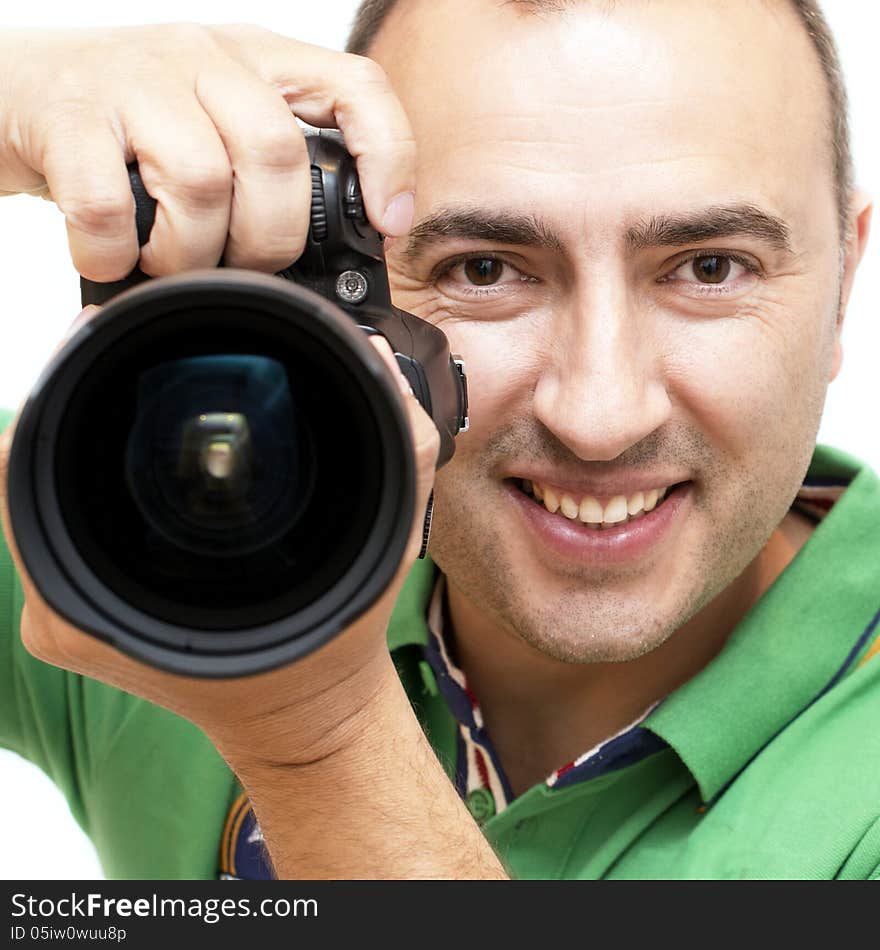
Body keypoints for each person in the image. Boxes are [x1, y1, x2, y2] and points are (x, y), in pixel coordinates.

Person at [0, 0, 877, 880]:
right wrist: (20, 89)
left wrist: (316, 738)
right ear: (339, 279)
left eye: (709, 267)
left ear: (845, 280)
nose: (601, 416)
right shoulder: (124, 529)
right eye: (484, 270)